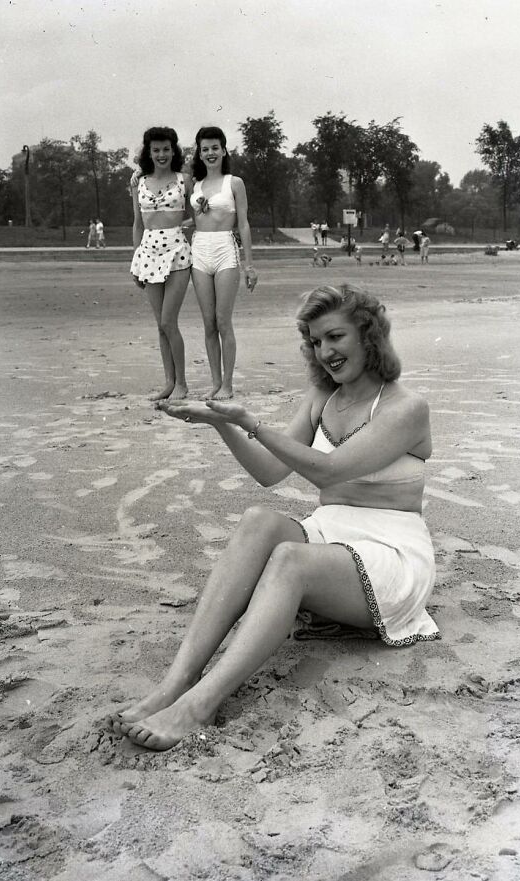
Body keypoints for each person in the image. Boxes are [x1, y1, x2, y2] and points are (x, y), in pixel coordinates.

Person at [105, 283, 439, 752]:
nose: (325, 352)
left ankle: (200, 705)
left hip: (392, 556)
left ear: (369, 336)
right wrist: (219, 422)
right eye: (315, 340)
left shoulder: (406, 408)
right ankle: (175, 683)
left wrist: (250, 421)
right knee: (260, 519)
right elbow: (269, 472)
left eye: (335, 337)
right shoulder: (322, 398)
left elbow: (327, 468)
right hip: (331, 539)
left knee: (289, 558)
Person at [189, 126, 258, 400]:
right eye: (204, 149)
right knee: (208, 323)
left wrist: (249, 265)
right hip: (200, 250)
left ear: (224, 149)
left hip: (226, 250)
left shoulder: (235, 183)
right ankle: (215, 382)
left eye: (214, 147)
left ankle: (228, 384)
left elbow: (244, 224)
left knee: (222, 320)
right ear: (200, 152)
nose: (210, 153)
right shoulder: (193, 184)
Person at [130, 126, 193, 401]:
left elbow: (196, 216)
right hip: (148, 255)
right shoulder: (138, 182)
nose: (161, 154)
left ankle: (182, 384)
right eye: (156, 150)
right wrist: (136, 260)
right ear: (148, 152)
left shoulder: (185, 180)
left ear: (173, 150)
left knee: (169, 321)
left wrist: (183, 228)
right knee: (160, 325)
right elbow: (137, 223)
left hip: (178, 254)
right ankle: (169, 382)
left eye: (166, 149)